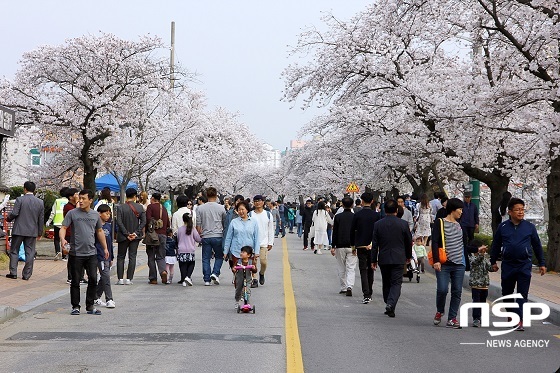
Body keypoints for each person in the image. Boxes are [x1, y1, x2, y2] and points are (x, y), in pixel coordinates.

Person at [490, 197, 546, 331]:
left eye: (522, 209)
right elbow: (496, 245)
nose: (521, 212)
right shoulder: (503, 227)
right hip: (508, 264)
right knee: (507, 293)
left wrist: (542, 263)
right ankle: (511, 315)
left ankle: (519, 319)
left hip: (524, 265)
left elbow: (537, 246)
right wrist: (493, 261)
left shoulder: (529, 227)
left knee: (522, 294)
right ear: (510, 212)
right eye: (517, 210)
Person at [432, 197, 482, 329]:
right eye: (460, 209)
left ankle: (452, 318)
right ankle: (440, 310)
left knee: (457, 291)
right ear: (453, 209)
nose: (461, 212)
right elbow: (435, 242)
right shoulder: (440, 222)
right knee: (442, 289)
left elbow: (464, 245)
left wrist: (476, 249)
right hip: (444, 263)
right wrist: (436, 260)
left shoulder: (461, 226)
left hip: (459, 263)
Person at [60, 189, 109, 315]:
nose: (80, 201)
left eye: (83, 199)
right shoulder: (72, 213)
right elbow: (63, 228)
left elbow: (99, 231)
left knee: (93, 279)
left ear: (90, 200)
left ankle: (90, 305)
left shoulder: (94, 215)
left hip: (91, 253)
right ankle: (75, 306)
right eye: (79, 198)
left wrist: (105, 248)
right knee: (75, 280)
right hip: (76, 253)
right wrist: (62, 239)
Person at [371, 199, 412, 318]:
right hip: (399, 257)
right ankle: (391, 303)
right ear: (396, 210)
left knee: (386, 281)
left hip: (384, 257)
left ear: (385, 210)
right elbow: (408, 242)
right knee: (396, 283)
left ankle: (389, 303)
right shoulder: (403, 224)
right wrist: (408, 256)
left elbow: (375, 244)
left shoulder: (378, 224)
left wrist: (373, 260)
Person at [6, 181, 45, 280]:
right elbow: (41, 219)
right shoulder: (40, 202)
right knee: (30, 252)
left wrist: (8, 218)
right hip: (32, 231)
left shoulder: (20, 200)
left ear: (25, 189)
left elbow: (14, 213)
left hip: (19, 229)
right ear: (34, 190)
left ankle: (13, 272)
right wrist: (40, 232)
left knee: (14, 250)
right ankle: (26, 275)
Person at [350, 192, 380, 304]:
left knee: (363, 270)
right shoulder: (376, 215)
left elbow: (352, 231)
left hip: (361, 245)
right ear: (372, 201)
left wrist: (353, 246)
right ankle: (370, 292)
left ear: (362, 201)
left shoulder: (357, 215)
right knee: (371, 269)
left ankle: (366, 294)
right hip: (373, 245)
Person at [196, 187, 226, 286]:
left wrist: (200, 235)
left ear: (206, 195)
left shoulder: (200, 208)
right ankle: (215, 273)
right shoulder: (221, 208)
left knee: (206, 258)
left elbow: (198, 225)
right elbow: (224, 222)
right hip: (218, 235)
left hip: (205, 236)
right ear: (216, 195)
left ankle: (207, 279)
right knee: (219, 256)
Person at [115, 188, 146, 285]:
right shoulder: (140, 208)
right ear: (135, 196)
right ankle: (129, 279)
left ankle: (120, 279)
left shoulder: (120, 207)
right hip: (135, 237)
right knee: (132, 256)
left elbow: (118, 222)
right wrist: (136, 233)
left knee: (121, 257)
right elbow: (144, 221)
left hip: (123, 236)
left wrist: (126, 233)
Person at [223, 200, 260, 280]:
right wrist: (225, 251)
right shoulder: (234, 222)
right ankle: (238, 286)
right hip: (236, 251)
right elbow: (229, 237)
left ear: (247, 210)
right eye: (239, 209)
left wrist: (257, 251)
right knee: (237, 272)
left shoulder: (254, 222)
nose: (241, 211)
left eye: (243, 209)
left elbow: (257, 237)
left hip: (249, 252)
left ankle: (246, 290)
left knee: (247, 273)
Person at [331, 197, 357, 296]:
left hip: (340, 245)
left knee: (341, 267)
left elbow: (335, 233)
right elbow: (356, 232)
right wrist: (356, 246)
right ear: (352, 205)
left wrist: (333, 246)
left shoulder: (338, 217)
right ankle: (350, 285)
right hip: (352, 245)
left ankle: (344, 287)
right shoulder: (355, 217)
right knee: (351, 267)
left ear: (342, 205)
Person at [248, 195, 273, 287]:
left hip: (263, 242)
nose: (257, 203)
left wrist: (270, 242)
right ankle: (254, 279)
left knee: (263, 262)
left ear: (263, 202)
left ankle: (261, 273)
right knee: (253, 262)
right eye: (255, 201)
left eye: (259, 201)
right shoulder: (250, 214)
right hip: (252, 242)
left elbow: (270, 229)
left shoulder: (268, 214)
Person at [93, 204, 115, 309]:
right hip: (98, 254)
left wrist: (112, 257)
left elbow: (110, 242)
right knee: (105, 276)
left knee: (104, 276)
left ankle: (96, 296)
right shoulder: (95, 227)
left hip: (107, 256)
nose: (108, 215)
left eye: (109, 213)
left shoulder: (109, 226)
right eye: (106, 213)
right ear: (99, 214)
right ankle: (109, 299)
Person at [146, 192, 170, 285]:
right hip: (163, 235)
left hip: (153, 235)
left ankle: (153, 278)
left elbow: (148, 219)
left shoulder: (150, 207)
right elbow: (168, 223)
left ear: (152, 198)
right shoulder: (163, 208)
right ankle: (163, 271)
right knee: (161, 256)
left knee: (151, 256)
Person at [468, 240, 491, 327]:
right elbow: (475, 262)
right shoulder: (471, 256)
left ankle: (480, 317)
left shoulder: (485, 256)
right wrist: (481, 254)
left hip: (484, 283)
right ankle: (476, 318)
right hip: (476, 283)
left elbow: (488, 266)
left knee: (483, 302)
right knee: (476, 301)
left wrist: (494, 267)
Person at [177, 212, 201, 286]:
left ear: (183, 220)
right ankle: (188, 276)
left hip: (181, 250)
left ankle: (184, 280)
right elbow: (198, 239)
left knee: (182, 265)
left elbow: (177, 238)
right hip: (190, 250)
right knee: (191, 264)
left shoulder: (180, 229)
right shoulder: (193, 229)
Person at [46, 187, 69, 261]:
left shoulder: (57, 201)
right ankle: (64, 256)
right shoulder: (69, 201)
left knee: (56, 239)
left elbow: (53, 212)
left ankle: (58, 252)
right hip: (66, 224)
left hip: (57, 223)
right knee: (65, 239)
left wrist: (49, 221)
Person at [459, 191, 479, 256]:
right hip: (463, 224)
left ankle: (470, 250)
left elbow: (476, 215)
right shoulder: (461, 205)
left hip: (471, 224)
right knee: (464, 237)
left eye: (468, 197)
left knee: (471, 237)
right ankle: (465, 250)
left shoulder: (473, 206)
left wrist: (477, 223)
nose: (467, 199)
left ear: (471, 198)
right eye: (466, 197)